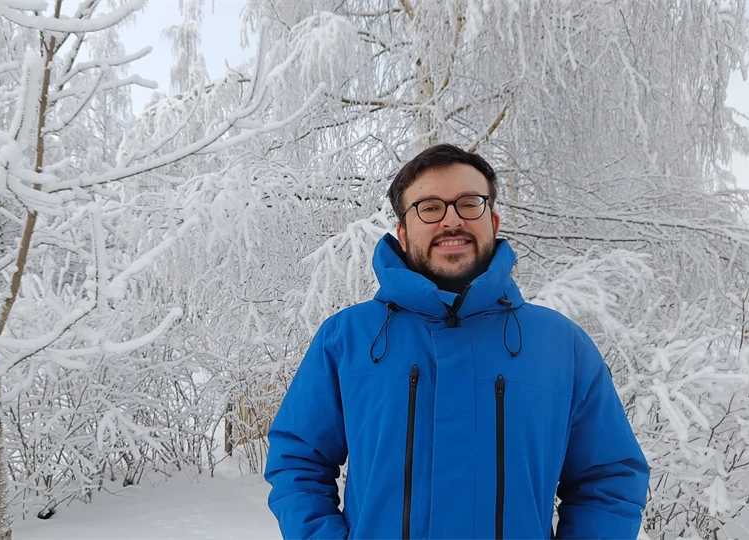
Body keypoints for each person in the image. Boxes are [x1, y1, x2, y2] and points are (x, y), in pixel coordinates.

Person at [264, 144, 649, 539]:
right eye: (429, 207)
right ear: (402, 230)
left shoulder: (561, 347)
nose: (451, 220)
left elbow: (608, 479)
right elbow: (298, 463)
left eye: (469, 203)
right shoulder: (346, 339)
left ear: (494, 221)